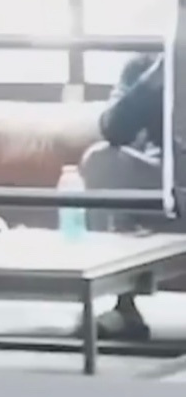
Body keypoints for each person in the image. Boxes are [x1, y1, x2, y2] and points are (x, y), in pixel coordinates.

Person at [80, 50, 167, 341]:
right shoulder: (144, 67)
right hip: (162, 186)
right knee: (101, 160)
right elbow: (113, 129)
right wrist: (153, 80)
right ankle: (122, 308)